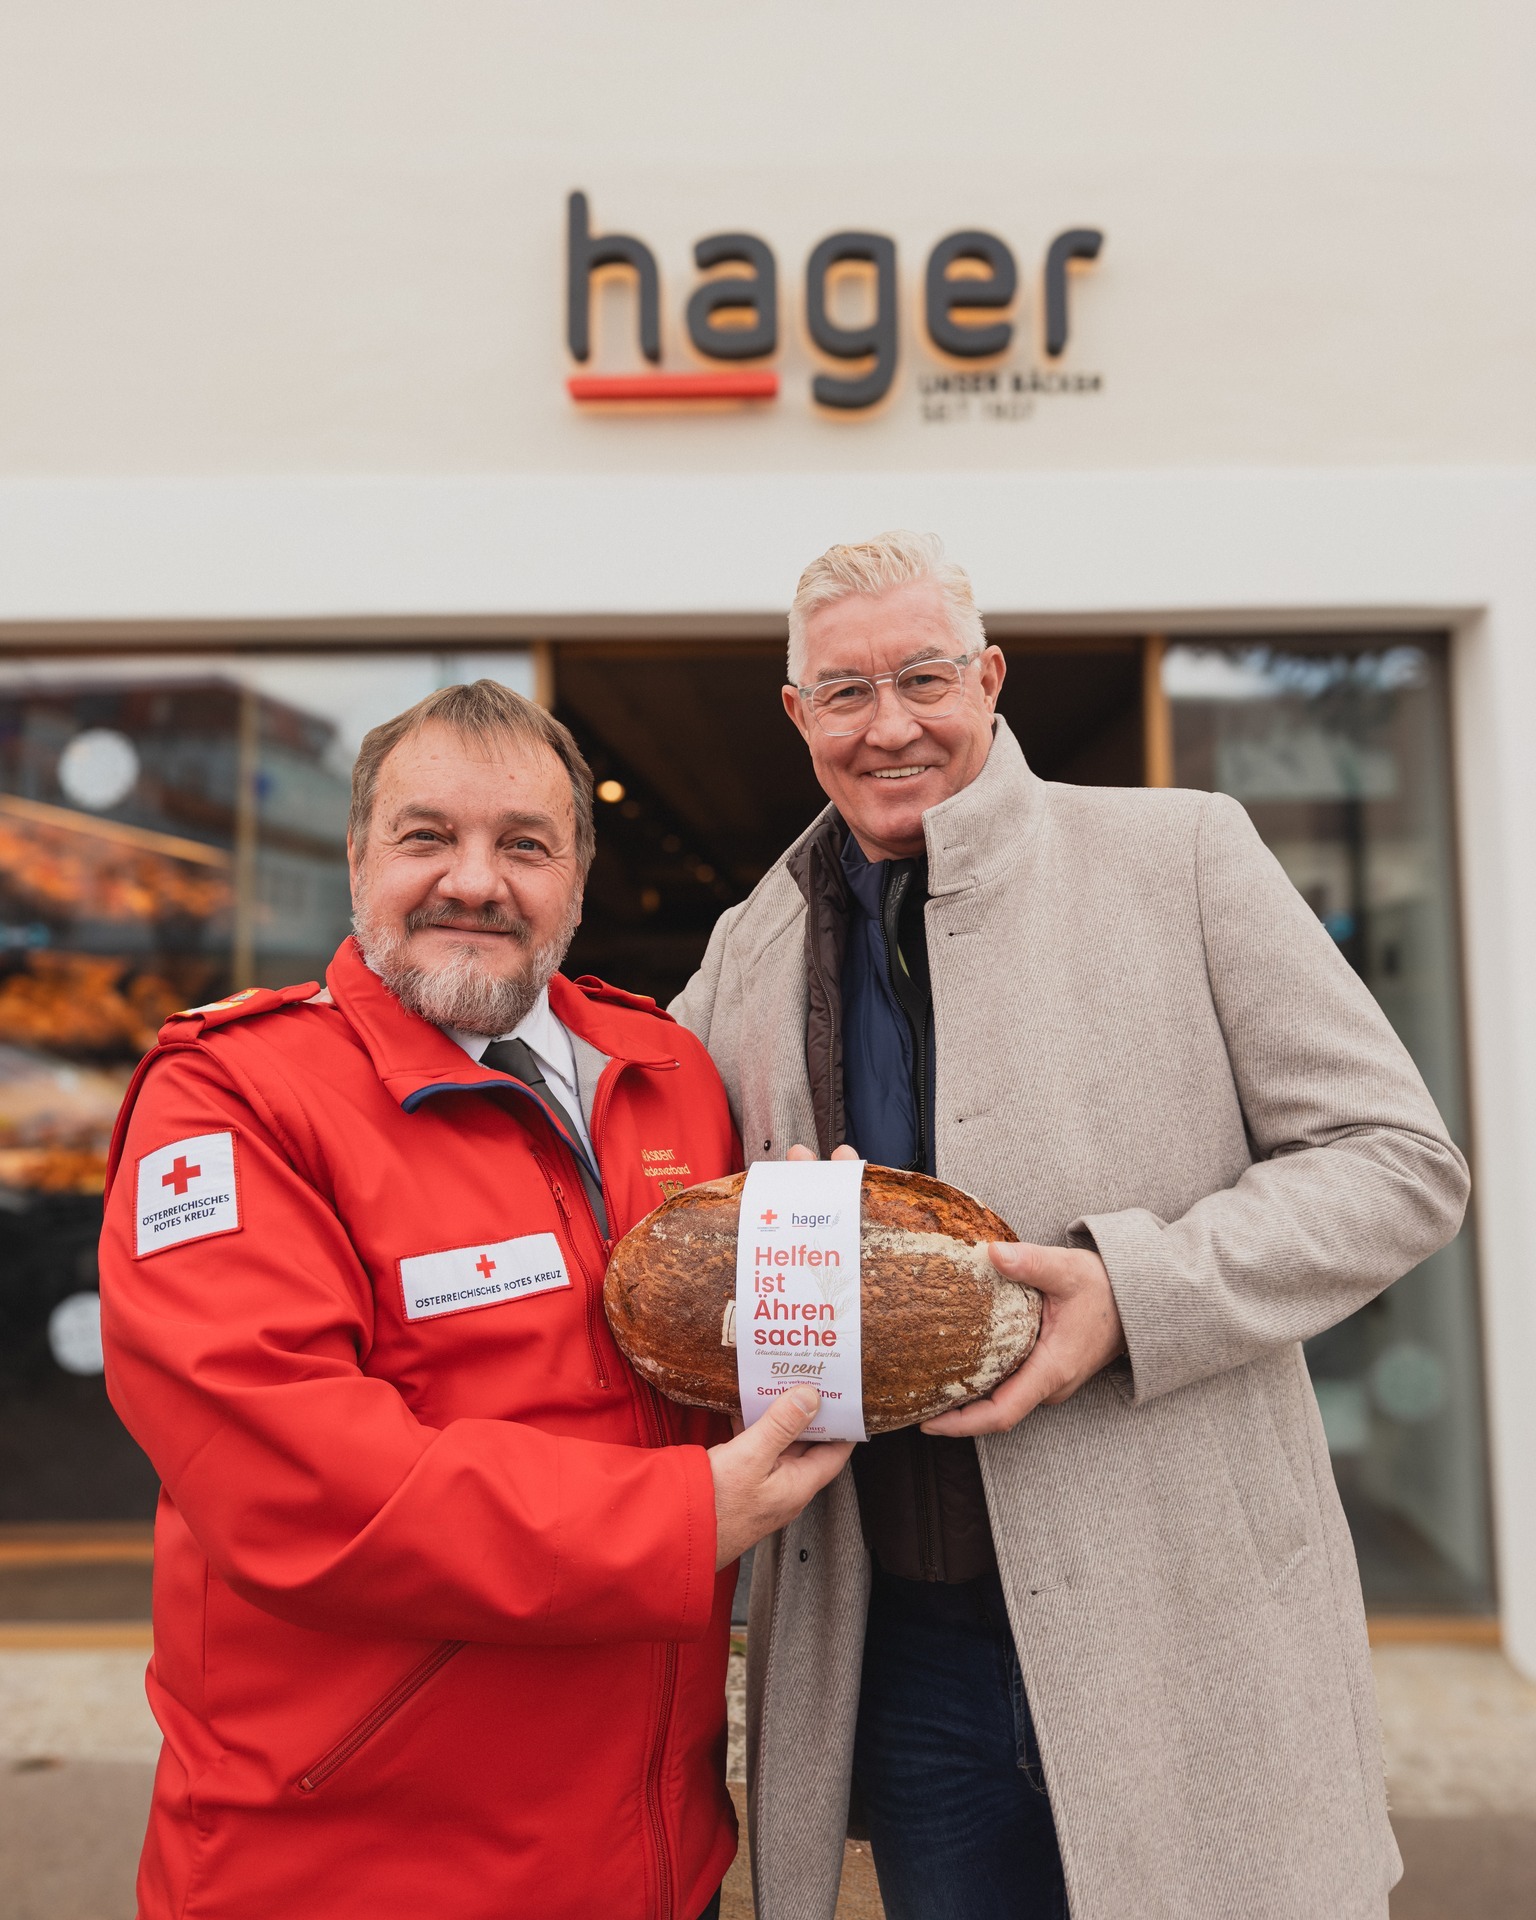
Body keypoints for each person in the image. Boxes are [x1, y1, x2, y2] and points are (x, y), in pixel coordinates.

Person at [672, 532, 1470, 1920]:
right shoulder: (748, 947)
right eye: (845, 693)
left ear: (988, 677)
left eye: (924, 676)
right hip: (903, 1642)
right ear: (799, 717)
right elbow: (666, 1211)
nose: (892, 724)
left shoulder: (1185, 854)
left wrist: (1129, 1292)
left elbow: (1398, 1161)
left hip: (1185, 1620)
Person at [99, 681, 851, 1920]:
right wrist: (672, 1518)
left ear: (576, 877)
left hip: (657, 1867)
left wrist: (831, 1271)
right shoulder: (231, 1103)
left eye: (524, 845)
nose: (475, 881)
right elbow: (294, 1478)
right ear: (357, 857)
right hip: (351, 1873)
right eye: (427, 836)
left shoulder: (667, 1070)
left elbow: (727, 1355)